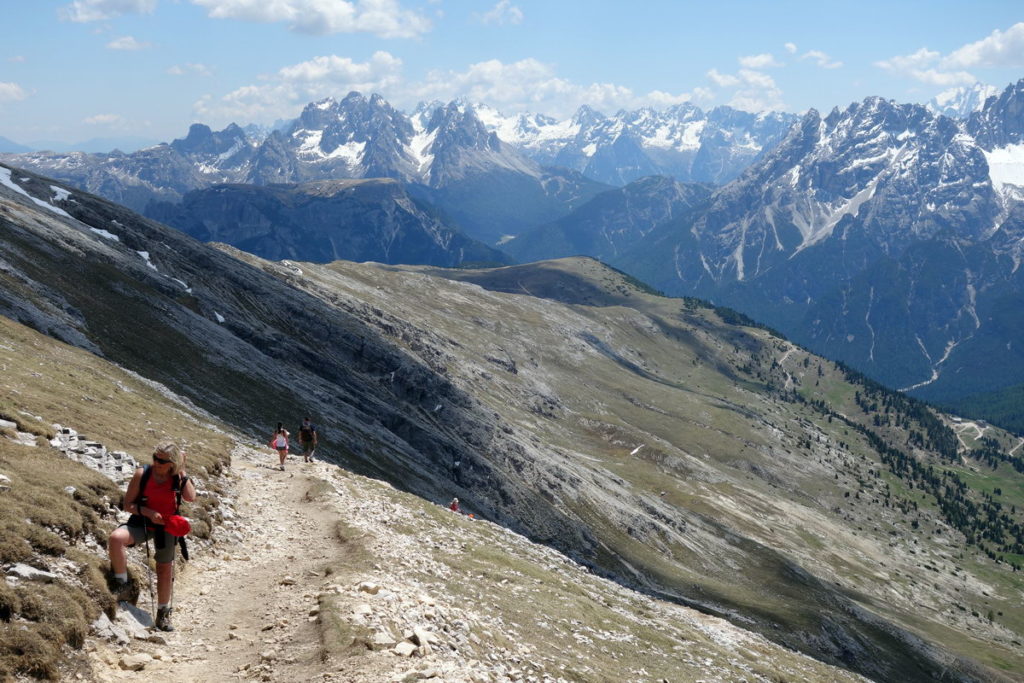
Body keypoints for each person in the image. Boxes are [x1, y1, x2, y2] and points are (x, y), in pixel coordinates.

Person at [108, 441, 196, 632]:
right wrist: (148, 513)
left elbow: (190, 497)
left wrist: (182, 470)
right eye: (155, 458)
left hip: (167, 525)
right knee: (116, 538)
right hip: (142, 520)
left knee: (164, 568)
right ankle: (123, 584)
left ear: (172, 463)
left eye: (162, 461)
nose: (156, 463)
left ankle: (163, 615)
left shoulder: (177, 477)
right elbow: (128, 504)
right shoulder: (143, 474)